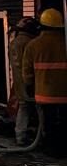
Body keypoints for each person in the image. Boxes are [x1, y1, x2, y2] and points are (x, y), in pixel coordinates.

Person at [22, 8, 67, 156]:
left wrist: (28, 85)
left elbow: (27, 72)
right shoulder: (65, 43)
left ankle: (50, 148)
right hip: (64, 94)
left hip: (44, 94)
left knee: (47, 123)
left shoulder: (33, 45)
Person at [9, 16, 40, 146]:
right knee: (39, 109)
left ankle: (20, 136)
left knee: (23, 108)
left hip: (19, 83)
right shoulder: (30, 43)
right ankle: (41, 135)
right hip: (30, 83)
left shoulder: (15, 42)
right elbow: (29, 66)